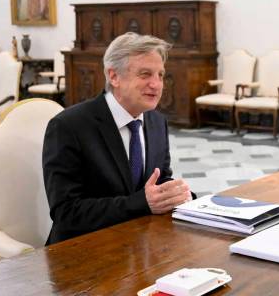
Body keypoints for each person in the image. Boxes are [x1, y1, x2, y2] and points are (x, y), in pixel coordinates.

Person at [42, 32, 192, 244]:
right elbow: (66, 214)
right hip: (83, 252)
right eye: (145, 74)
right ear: (114, 77)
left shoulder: (157, 122)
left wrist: (179, 195)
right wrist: (141, 203)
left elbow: (158, 180)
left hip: (141, 246)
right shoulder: (68, 127)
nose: (156, 84)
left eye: (160, 75)